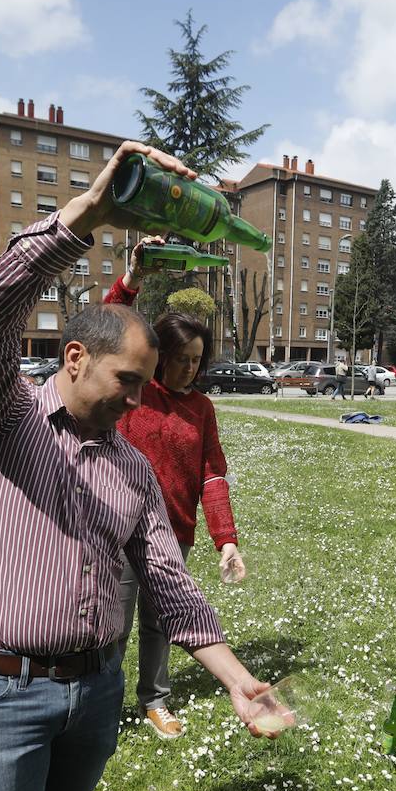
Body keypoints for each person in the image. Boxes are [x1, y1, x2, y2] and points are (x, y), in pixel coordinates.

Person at [0, 139, 272, 791]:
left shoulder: (129, 466)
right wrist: (88, 213)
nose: (139, 398)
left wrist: (235, 680)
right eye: (128, 380)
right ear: (72, 358)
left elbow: (165, 579)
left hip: (93, 694)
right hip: (1, 695)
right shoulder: (3, 418)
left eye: (147, 384)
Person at [104, 238, 247, 739]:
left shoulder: (202, 408)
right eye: (182, 358)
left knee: (161, 622)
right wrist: (132, 277)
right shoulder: (134, 392)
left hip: (174, 535)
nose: (190, 368)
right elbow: (110, 327)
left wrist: (225, 539)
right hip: (119, 529)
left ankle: (155, 700)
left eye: (198, 360)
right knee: (114, 623)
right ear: (160, 355)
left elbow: (212, 475)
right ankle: (103, 705)